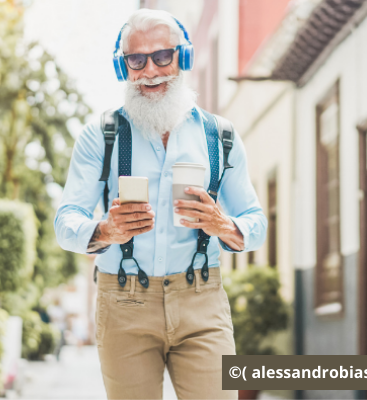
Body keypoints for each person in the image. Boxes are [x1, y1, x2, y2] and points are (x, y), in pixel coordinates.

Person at [54, 8, 266, 399]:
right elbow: (65, 222)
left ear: (183, 58)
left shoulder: (220, 137)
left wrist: (223, 225)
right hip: (124, 303)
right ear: (123, 67)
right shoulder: (100, 136)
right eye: (137, 60)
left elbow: (256, 221)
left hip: (201, 301)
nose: (150, 71)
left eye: (162, 56)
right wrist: (105, 230)